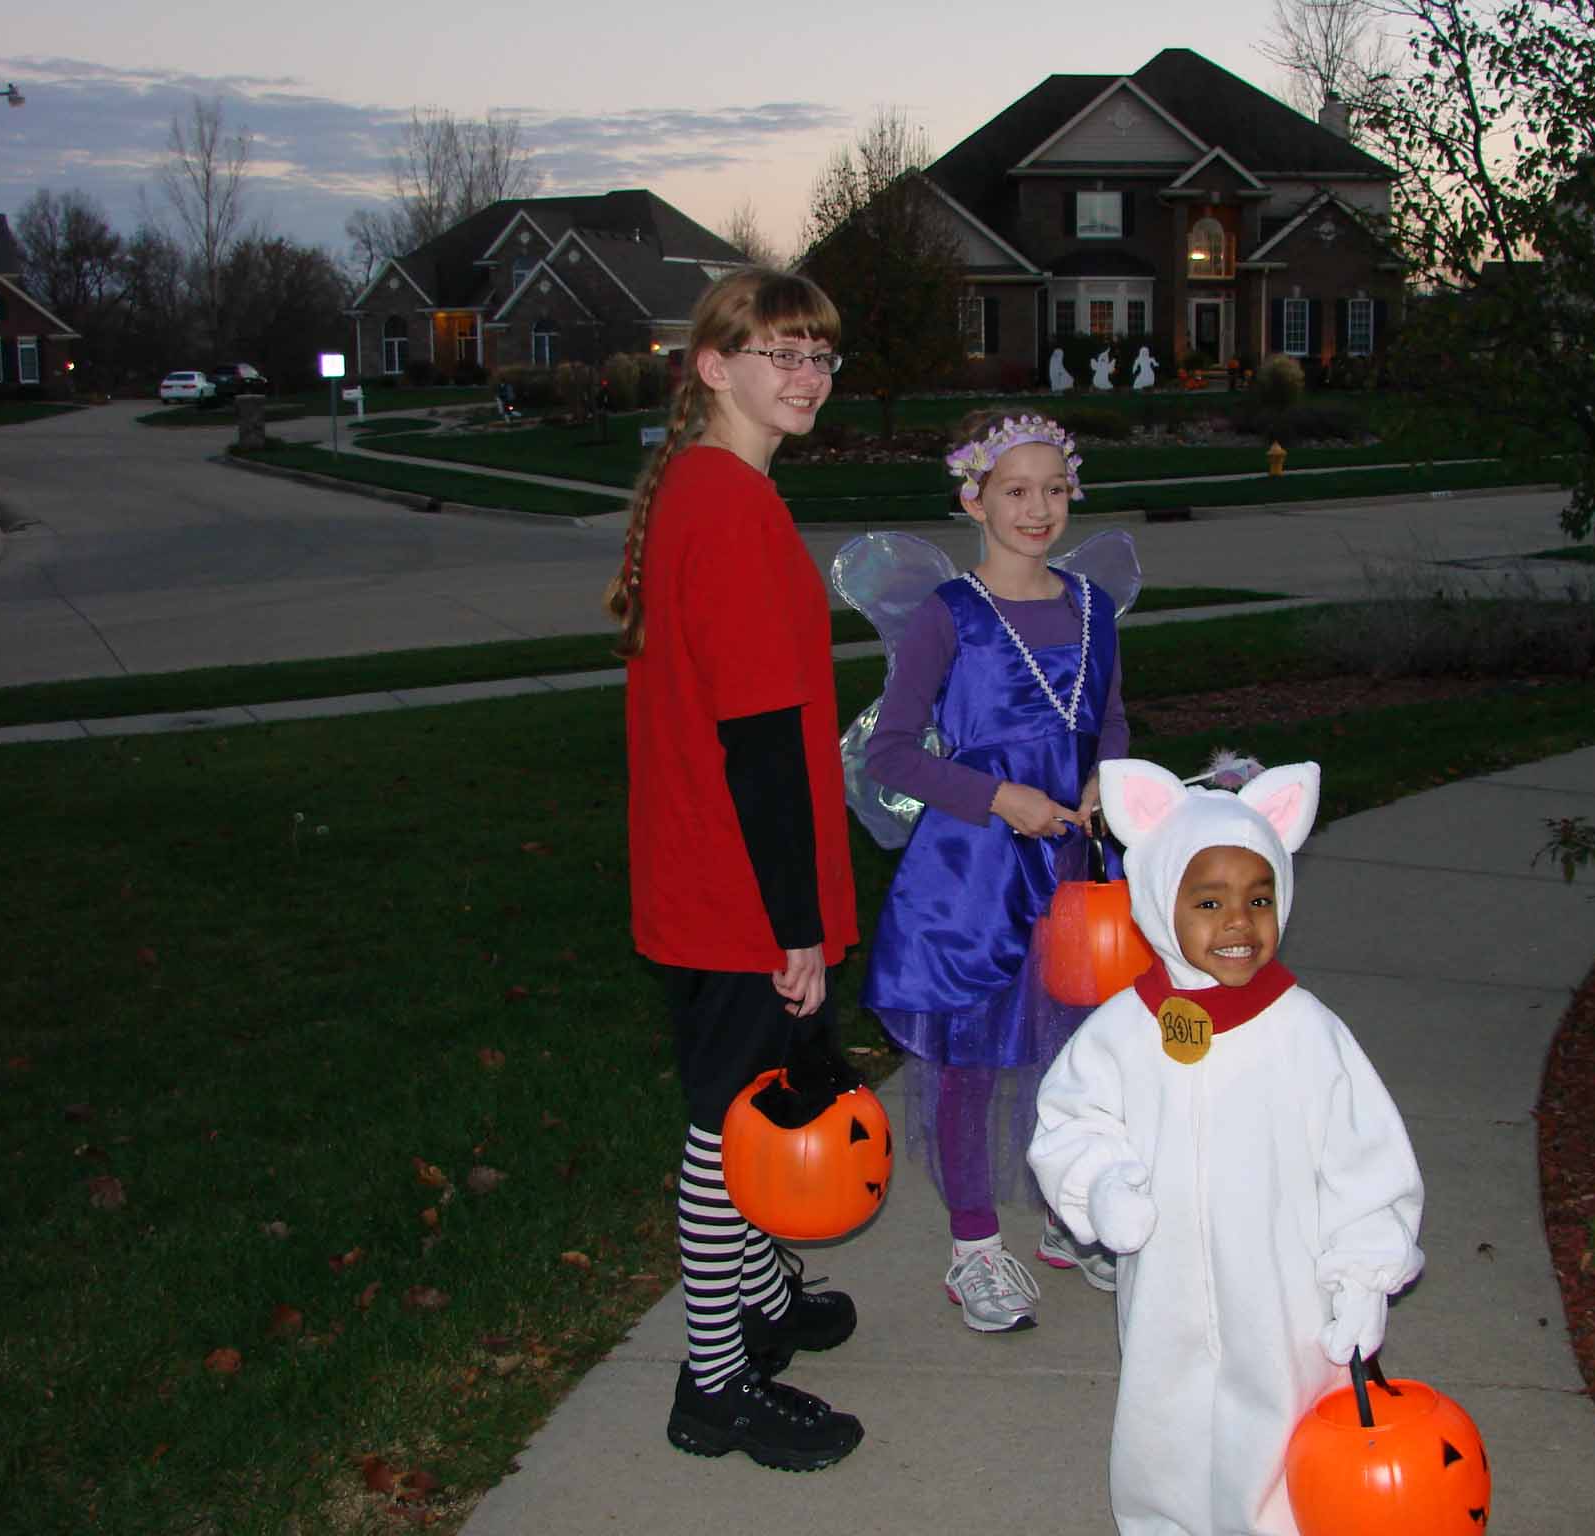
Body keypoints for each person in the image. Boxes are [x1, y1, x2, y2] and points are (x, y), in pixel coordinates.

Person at [605, 268, 865, 1472]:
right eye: (780, 353)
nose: (805, 376)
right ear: (713, 367)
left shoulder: (702, 493)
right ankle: (713, 1384)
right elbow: (758, 739)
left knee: (749, 1107)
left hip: (703, 874)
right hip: (736, 890)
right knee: (727, 1136)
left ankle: (760, 1297)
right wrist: (795, 923)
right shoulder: (730, 507)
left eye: (819, 356)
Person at [1030, 757, 1426, 1535]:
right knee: (1163, 1427)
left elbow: (1364, 1159)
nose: (1238, 923)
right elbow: (1072, 1119)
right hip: (1166, 1292)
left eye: (1259, 899)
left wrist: (1361, 1273)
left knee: (1277, 1439)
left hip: (1284, 1295)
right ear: (1157, 899)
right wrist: (1103, 1183)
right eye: (1208, 902)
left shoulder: (1306, 1032)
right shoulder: (1124, 1031)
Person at [862, 412, 1130, 1333]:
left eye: (1055, 489)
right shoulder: (952, 617)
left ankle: (1066, 1215)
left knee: (1076, 1049)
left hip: (1074, 870)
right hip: (971, 878)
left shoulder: (1092, 607)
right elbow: (892, 754)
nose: (1039, 508)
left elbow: (1112, 719)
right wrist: (994, 798)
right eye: (1015, 490)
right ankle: (974, 1246)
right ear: (971, 498)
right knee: (970, 1059)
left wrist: (1106, 780)